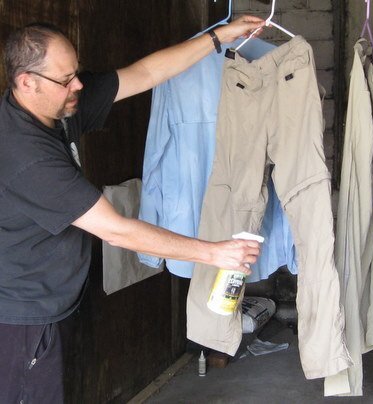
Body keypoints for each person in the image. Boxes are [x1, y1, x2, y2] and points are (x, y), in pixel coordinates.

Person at [0, 16, 265, 403]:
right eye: (66, 79)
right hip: (22, 316)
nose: (78, 85)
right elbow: (116, 230)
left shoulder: (51, 107)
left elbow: (144, 73)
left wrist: (218, 36)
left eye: (75, 72)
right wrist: (214, 252)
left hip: (48, 300)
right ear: (27, 82)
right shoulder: (26, 156)